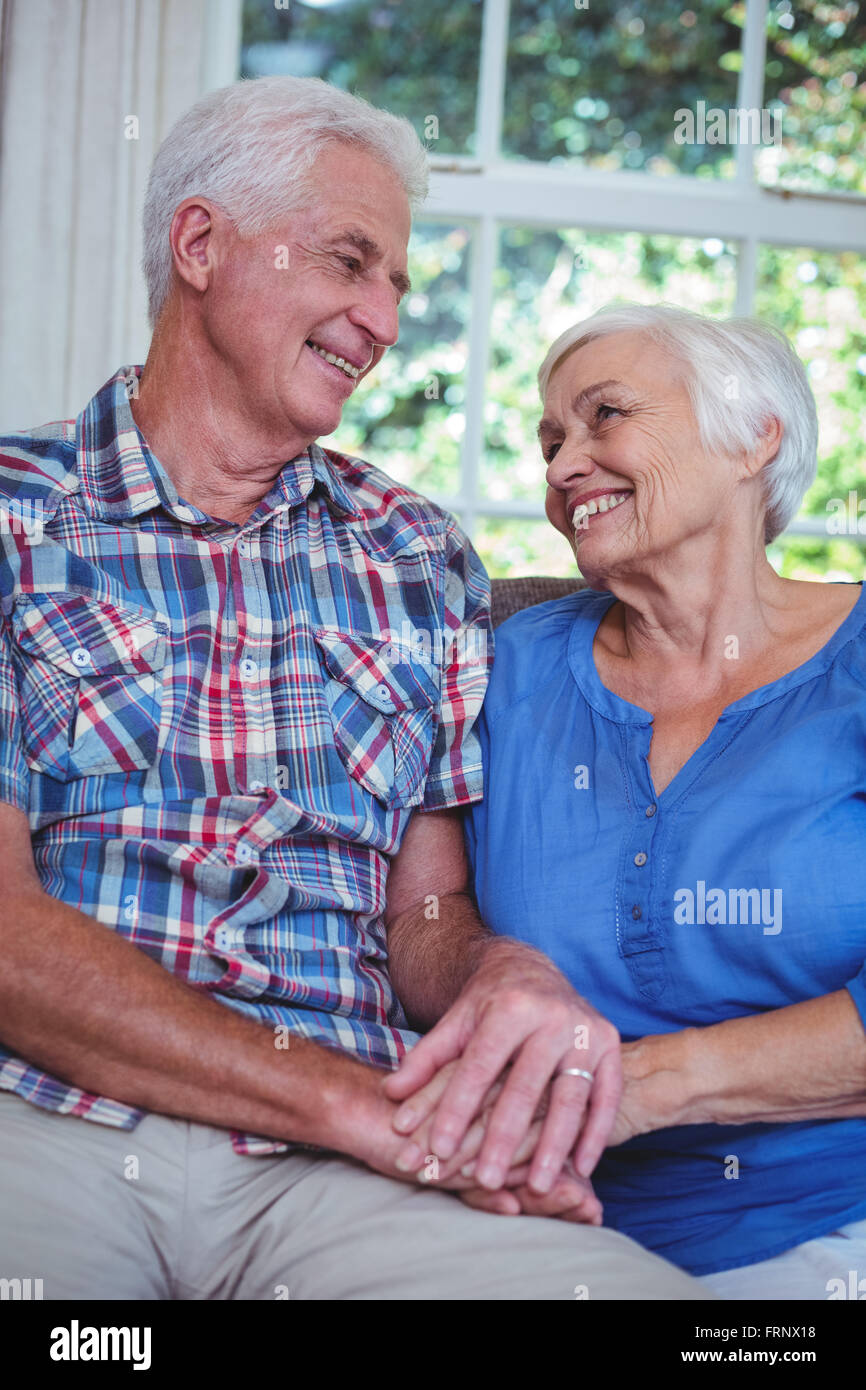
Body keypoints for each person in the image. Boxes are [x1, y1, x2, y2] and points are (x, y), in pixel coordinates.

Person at [0, 79, 706, 1301]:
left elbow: (419, 920)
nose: (381, 320)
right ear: (202, 245)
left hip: (334, 1170)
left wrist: (502, 978)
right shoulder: (18, 513)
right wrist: (361, 1108)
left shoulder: (413, 552)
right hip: (51, 1125)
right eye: (349, 261)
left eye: (396, 285)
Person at [457, 302, 866, 1298]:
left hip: (829, 1224)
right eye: (550, 440)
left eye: (604, 417)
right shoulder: (499, 665)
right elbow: (411, 911)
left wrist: (640, 1087)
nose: (560, 468)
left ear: (751, 436)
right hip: (526, 1227)